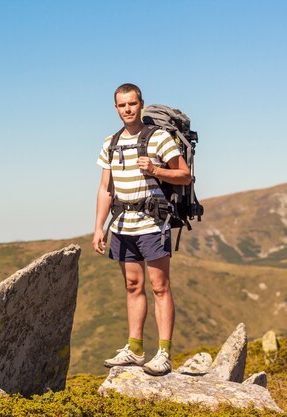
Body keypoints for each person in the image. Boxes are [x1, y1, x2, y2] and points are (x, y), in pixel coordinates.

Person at [92, 83, 191, 376]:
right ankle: (134, 349)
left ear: (141, 104)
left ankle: (163, 353)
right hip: (122, 225)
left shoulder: (159, 138)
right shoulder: (110, 143)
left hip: (152, 223)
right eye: (122, 105)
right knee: (132, 287)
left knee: (160, 287)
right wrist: (98, 227)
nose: (127, 110)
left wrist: (155, 170)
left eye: (132, 104)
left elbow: (184, 175)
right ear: (116, 108)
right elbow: (104, 188)